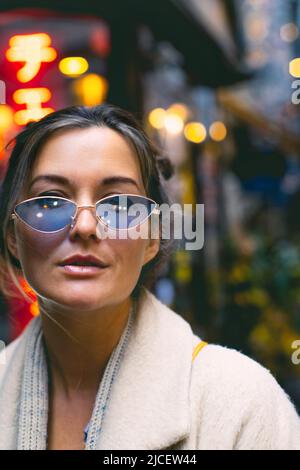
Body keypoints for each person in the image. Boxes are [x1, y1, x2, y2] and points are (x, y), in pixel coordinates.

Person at [0, 104, 299, 450]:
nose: (84, 226)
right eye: (51, 202)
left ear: (153, 237)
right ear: (12, 236)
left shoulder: (242, 404)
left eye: (120, 204)